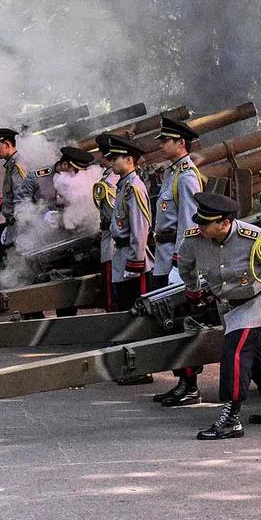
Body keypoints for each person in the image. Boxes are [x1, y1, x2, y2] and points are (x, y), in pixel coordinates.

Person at [180, 192, 261, 440]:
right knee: (252, 358)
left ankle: (231, 418)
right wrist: (193, 291)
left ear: (224, 223)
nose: (199, 226)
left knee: (235, 353)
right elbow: (186, 265)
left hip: (255, 305)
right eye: (198, 221)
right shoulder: (194, 240)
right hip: (227, 307)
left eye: (205, 223)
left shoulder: (254, 238)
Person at [151, 116, 205, 407]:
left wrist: (180, 262)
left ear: (180, 143)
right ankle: (181, 383)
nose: (161, 144)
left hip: (175, 258)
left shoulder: (186, 176)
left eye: (165, 140)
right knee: (170, 323)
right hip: (163, 255)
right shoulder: (172, 173)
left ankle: (191, 385)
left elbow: (190, 223)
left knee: (183, 322)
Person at [104, 134, 155, 385]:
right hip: (122, 255)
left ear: (130, 160)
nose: (112, 161)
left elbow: (140, 228)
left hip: (133, 260)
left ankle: (140, 368)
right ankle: (130, 364)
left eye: (116, 158)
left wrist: (134, 263)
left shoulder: (134, 187)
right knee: (126, 313)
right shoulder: (124, 185)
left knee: (137, 316)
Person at [0, 127, 26, 250]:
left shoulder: (17, 165)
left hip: (21, 222)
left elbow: (21, 197)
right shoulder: (11, 164)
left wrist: (19, 226)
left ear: (7, 144)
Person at [92, 135, 119, 311]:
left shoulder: (110, 181)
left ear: (104, 155)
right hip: (112, 238)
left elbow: (111, 215)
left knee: (112, 292)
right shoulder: (109, 177)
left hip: (112, 241)